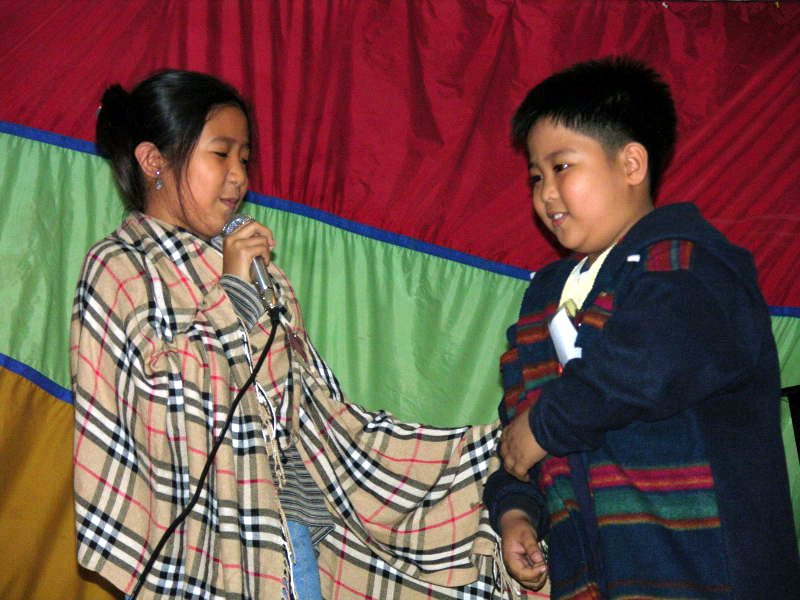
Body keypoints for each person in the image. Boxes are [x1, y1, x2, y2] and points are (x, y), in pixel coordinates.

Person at [71, 69, 504, 599]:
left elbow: (314, 409)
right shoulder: (118, 268)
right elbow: (165, 414)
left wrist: (461, 458)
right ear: (153, 160)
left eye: (245, 159)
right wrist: (232, 294)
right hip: (200, 552)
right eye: (221, 154)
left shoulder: (260, 270)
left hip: (290, 536)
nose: (238, 177)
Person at [483, 56, 800, 599]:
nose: (544, 193)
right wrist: (517, 511)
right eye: (535, 175)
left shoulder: (692, 264)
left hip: (711, 578)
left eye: (562, 167)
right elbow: (518, 425)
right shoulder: (543, 296)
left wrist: (543, 424)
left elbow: (645, 365)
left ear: (631, 164)